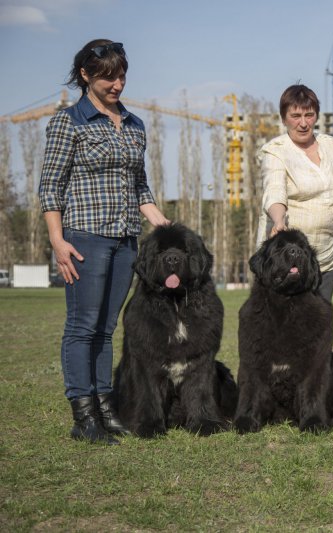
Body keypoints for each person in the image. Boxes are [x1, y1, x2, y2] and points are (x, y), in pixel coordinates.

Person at [39, 39, 169, 444]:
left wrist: (162, 223)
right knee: (82, 327)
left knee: (107, 328)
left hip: (125, 240)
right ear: (85, 76)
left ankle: (104, 406)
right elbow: (50, 188)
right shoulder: (69, 121)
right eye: (108, 76)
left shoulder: (134, 124)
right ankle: (83, 415)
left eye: (121, 75)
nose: (117, 84)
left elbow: (140, 186)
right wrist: (58, 242)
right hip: (84, 239)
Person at [256, 84, 333, 302]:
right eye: (295, 115)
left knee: (319, 326)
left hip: (326, 257)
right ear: (284, 118)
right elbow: (274, 190)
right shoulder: (275, 151)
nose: (303, 123)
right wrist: (278, 221)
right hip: (285, 262)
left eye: (309, 115)